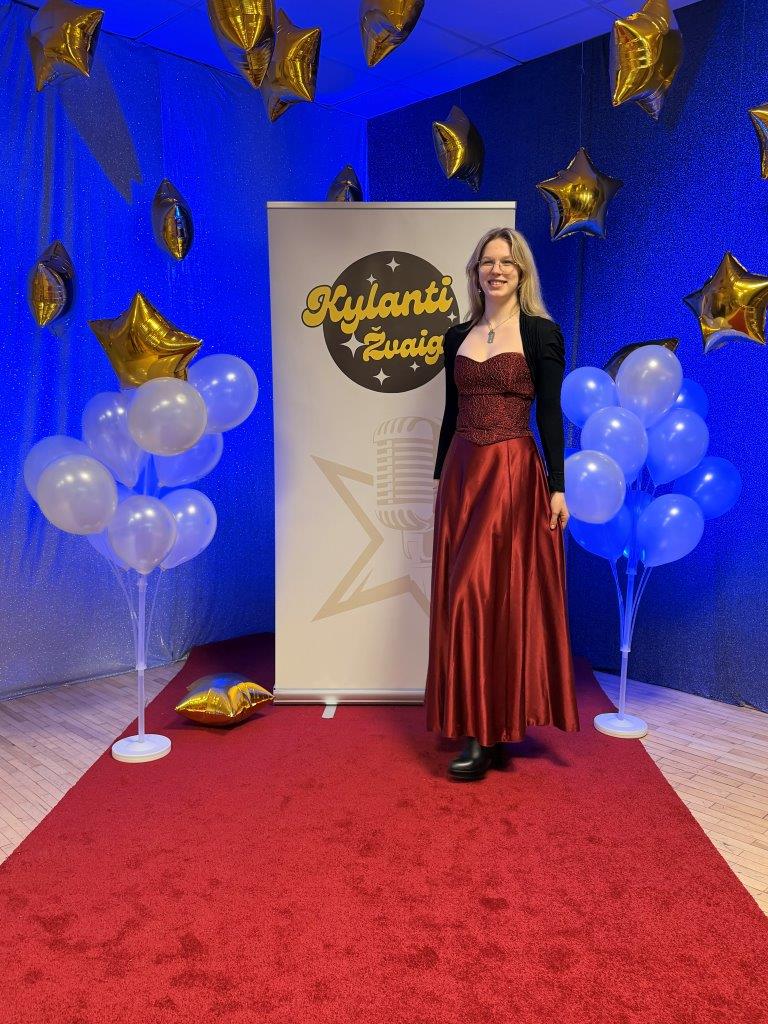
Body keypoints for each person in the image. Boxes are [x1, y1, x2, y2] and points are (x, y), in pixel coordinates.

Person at [425, 227, 580, 781]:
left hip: (512, 475)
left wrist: (558, 486)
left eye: (507, 262)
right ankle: (479, 725)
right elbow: (450, 413)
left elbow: (550, 414)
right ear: (475, 273)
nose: (496, 269)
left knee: (492, 595)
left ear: (521, 272)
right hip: (462, 475)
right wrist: (440, 476)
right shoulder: (455, 336)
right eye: (487, 262)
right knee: (462, 595)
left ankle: (487, 730)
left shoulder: (541, 333)